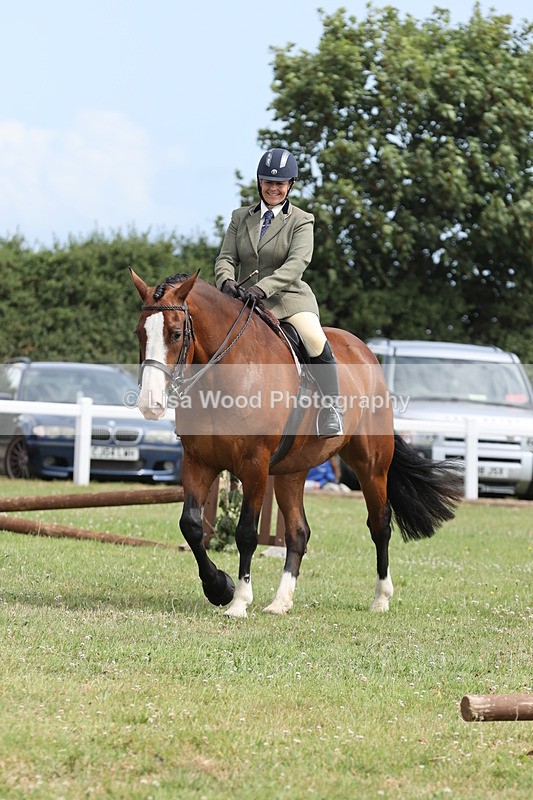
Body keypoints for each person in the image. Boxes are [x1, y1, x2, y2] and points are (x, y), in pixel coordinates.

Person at [214, 147, 344, 437]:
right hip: (244, 300)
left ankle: (332, 409)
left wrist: (264, 287)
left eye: (280, 183)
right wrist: (225, 281)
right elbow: (226, 257)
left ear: (290, 185)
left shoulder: (301, 220)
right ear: (259, 182)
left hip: (288, 300)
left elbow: (297, 263)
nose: (274, 188)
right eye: (268, 182)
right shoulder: (240, 217)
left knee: (314, 339)